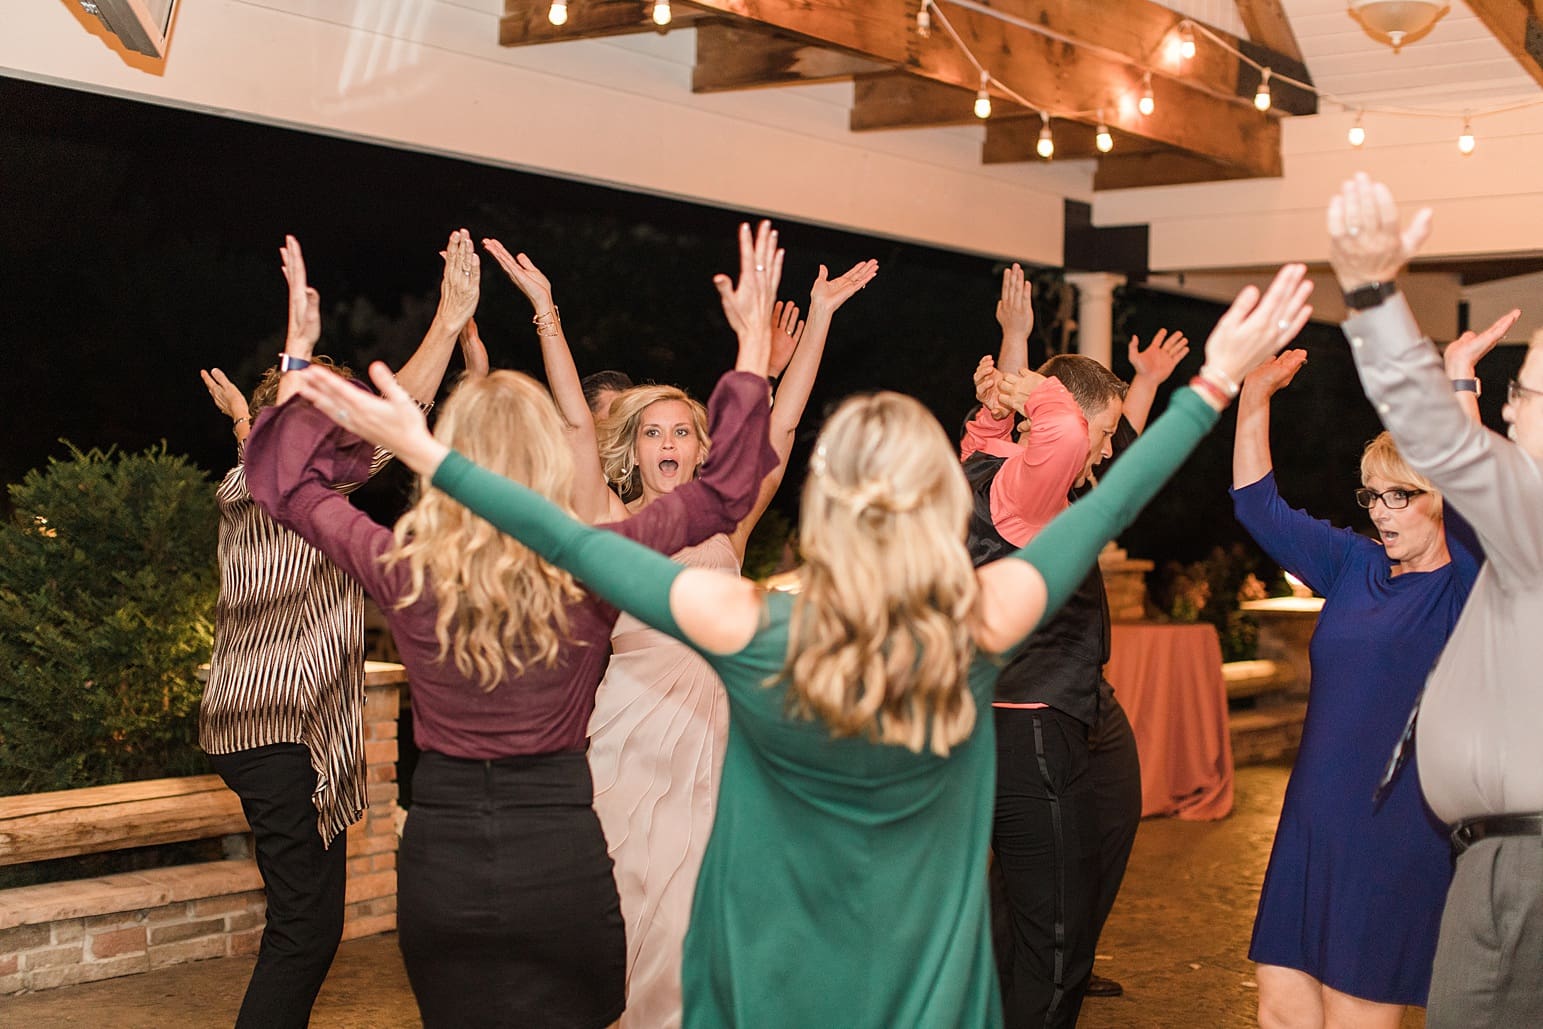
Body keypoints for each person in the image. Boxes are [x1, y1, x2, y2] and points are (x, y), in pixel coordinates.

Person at [288, 260, 1314, 1028]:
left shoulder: (748, 626)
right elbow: (1109, 500)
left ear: (820, 511)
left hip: (769, 984)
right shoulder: (980, 622)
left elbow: (570, 545)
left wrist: (431, 455)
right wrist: (1207, 390)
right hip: (923, 996)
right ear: (930, 511)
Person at [243, 221, 782, 1028]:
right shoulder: (591, 560)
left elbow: (284, 484)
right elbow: (727, 487)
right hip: (561, 851)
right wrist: (746, 353)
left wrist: (300, 370)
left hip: (444, 860)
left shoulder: (405, 567)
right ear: (547, 461)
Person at [482, 233, 879, 1026]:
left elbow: (783, 427)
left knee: (710, 909)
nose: (669, 443)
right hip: (630, 744)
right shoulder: (607, 521)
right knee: (629, 905)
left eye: (683, 431)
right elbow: (569, 424)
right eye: (653, 432)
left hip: (723, 743)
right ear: (631, 451)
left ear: (705, 449)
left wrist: (821, 319)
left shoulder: (728, 525)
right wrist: (547, 315)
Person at [194, 230, 478, 1029]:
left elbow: (333, 440)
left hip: (270, 730)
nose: (347, 427)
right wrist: (445, 324)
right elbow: (324, 435)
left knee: (304, 930)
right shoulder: (262, 481)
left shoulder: (279, 489)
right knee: (304, 934)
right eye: (329, 413)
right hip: (273, 727)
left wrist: (258, 412)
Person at [1327, 172, 1543, 1029]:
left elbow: (1443, 450)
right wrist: (1462, 392)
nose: (1510, 408)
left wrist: (1375, 293)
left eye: (1522, 391)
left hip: (1519, 872)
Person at [1232, 343, 1490, 1027]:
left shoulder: (1464, 584)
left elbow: (1479, 490)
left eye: (1400, 494)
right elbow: (1259, 508)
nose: (1381, 511)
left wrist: (1459, 381)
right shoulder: (1354, 563)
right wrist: (1252, 397)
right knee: (1279, 1011)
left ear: (1438, 497)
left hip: (1396, 829)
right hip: (1311, 820)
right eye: (1372, 494)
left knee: (1355, 1014)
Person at [962, 264, 1190, 1025]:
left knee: (1105, 830)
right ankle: (1039, 987)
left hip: (1081, 699)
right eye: (1103, 430)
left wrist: (1016, 348)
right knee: (1049, 910)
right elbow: (1060, 425)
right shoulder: (1023, 486)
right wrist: (1025, 382)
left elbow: (1079, 441)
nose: (1103, 447)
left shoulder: (1006, 461)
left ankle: (1037, 969)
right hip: (1030, 710)